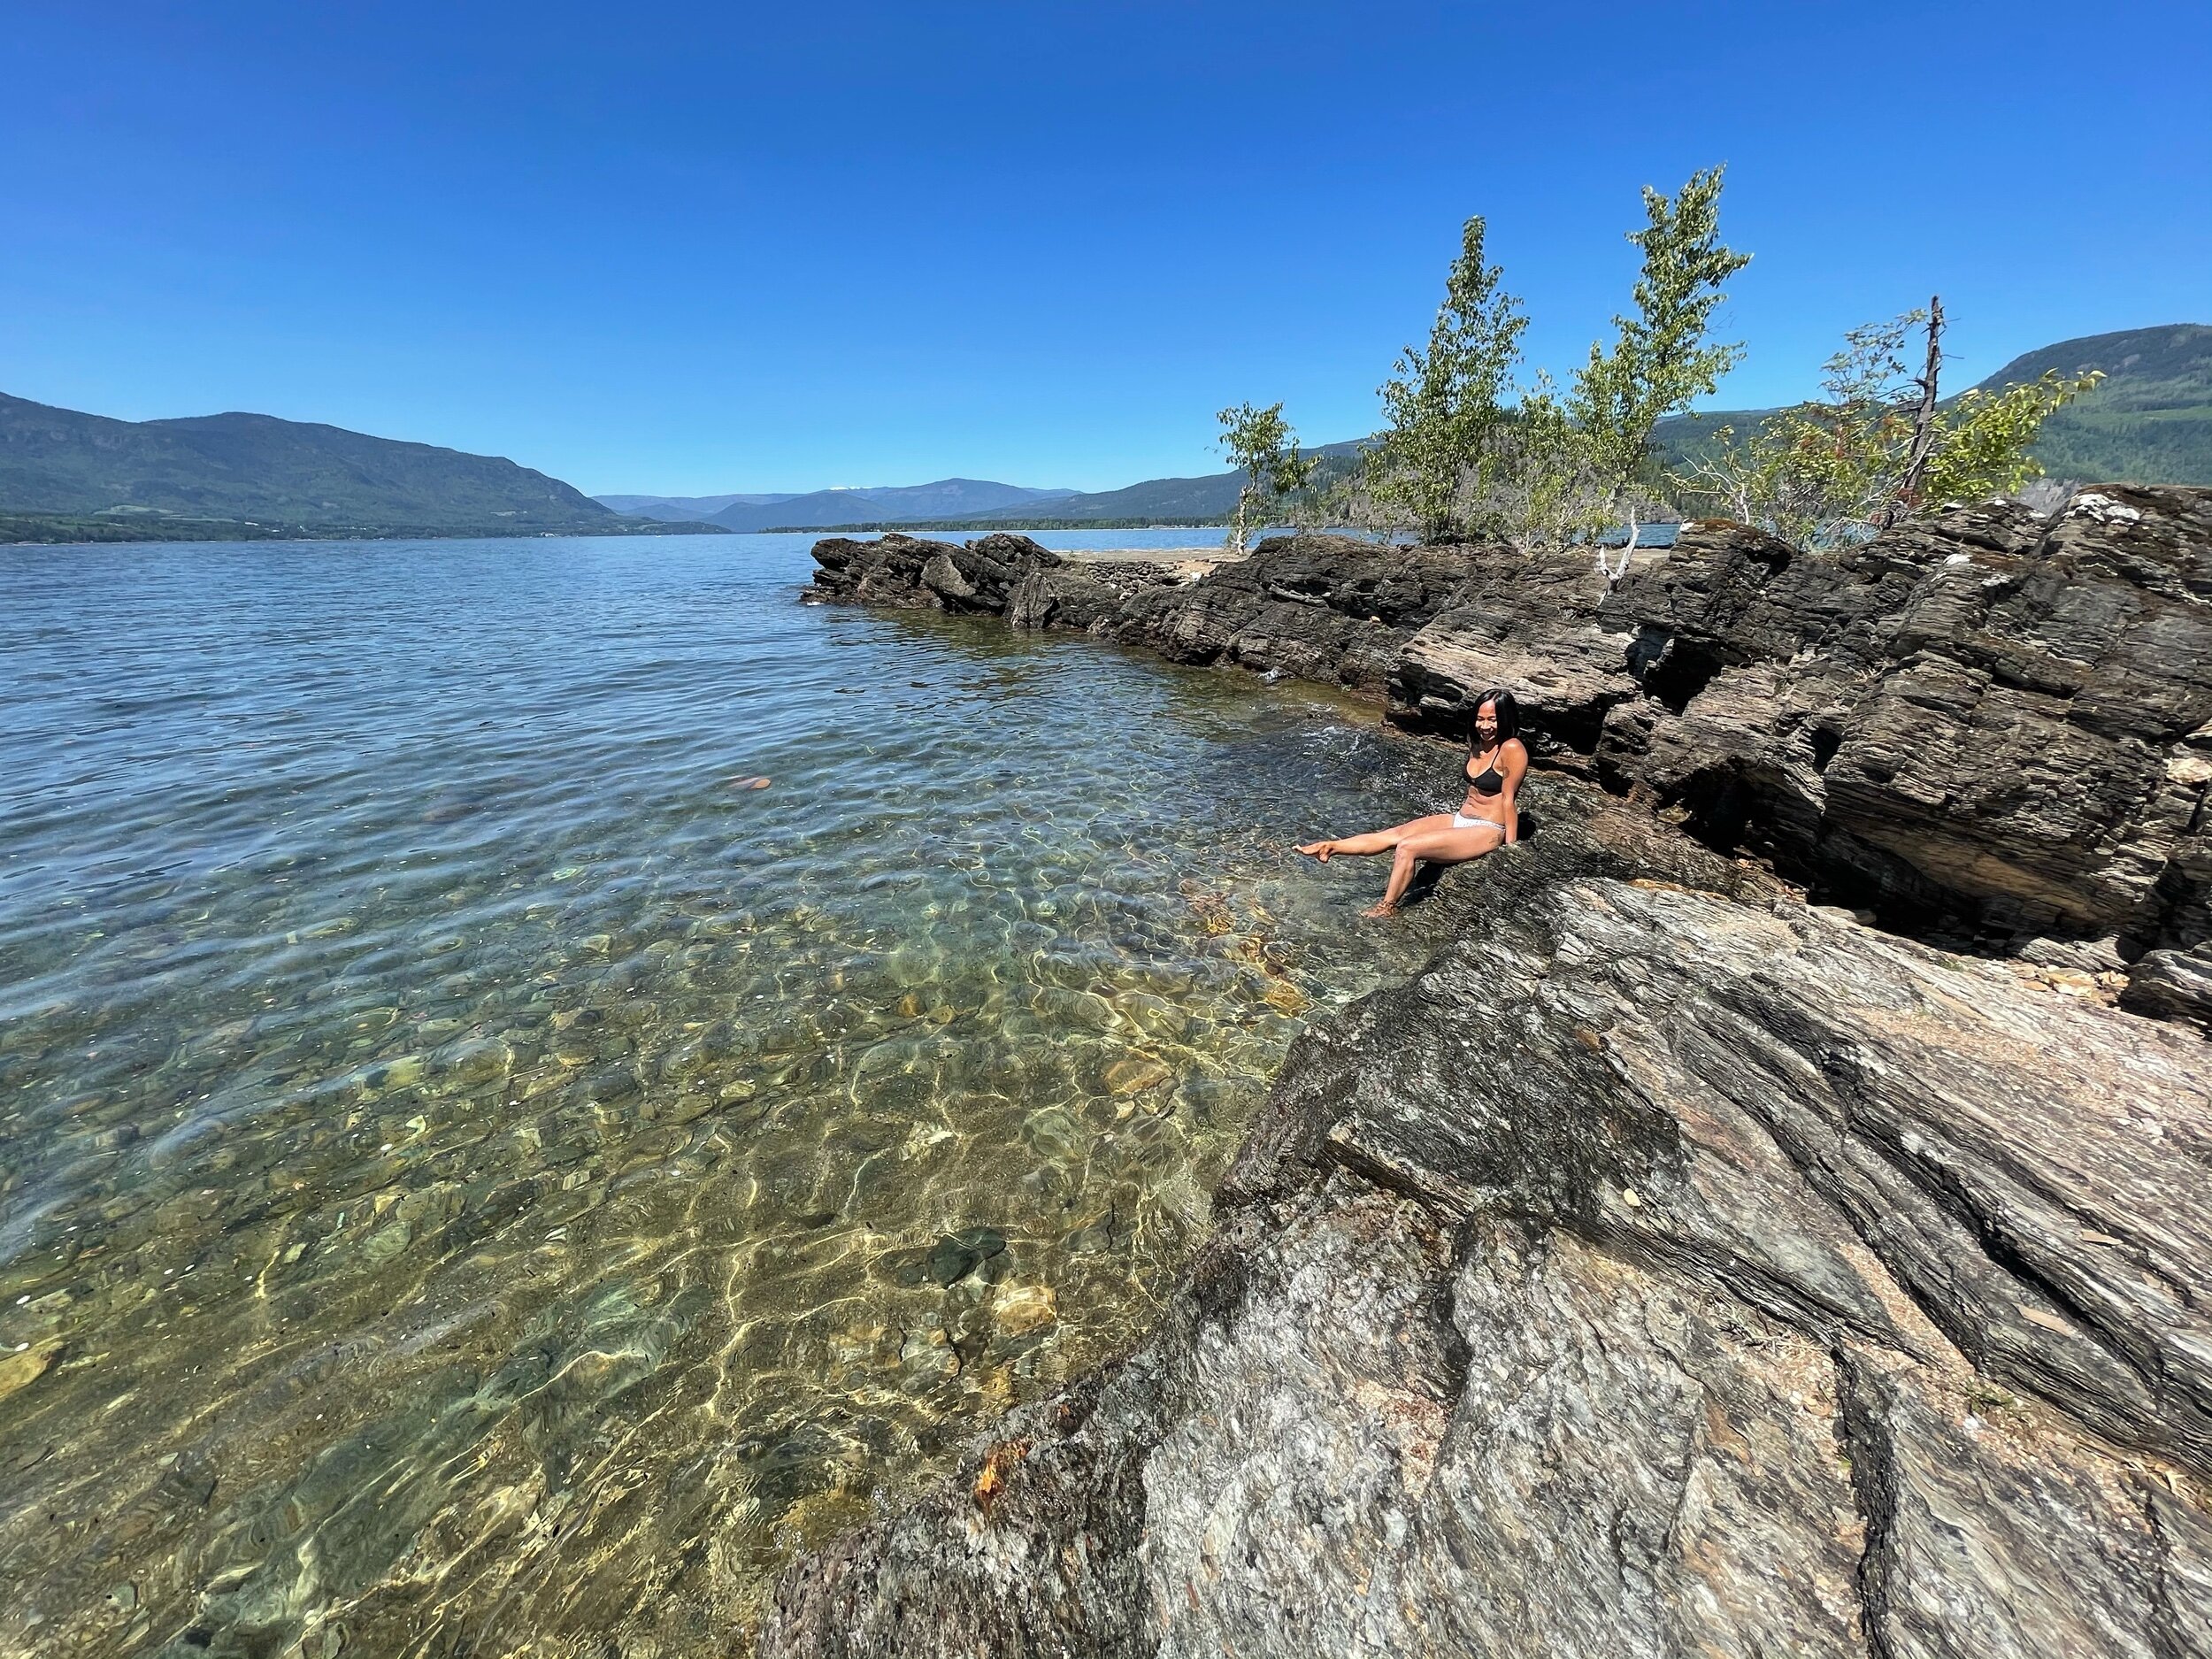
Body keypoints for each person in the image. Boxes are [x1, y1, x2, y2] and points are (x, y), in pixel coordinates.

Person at [1296, 689, 1526, 917]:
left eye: (1492, 720)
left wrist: (1510, 850)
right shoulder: (1477, 743)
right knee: (1394, 835)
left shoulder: (1512, 748)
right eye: (1480, 719)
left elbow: (1508, 800)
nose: (1485, 726)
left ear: (1505, 719)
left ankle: (1387, 907)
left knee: (1408, 847)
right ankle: (1330, 847)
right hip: (1461, 818)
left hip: (1488, 829)